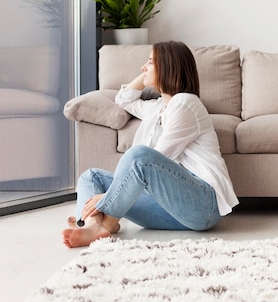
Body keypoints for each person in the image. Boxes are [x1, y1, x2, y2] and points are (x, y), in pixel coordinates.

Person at [62, 41, 239, 248]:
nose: (143, 67)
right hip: (170, 209)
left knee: (139, 155)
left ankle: (106, 220)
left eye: (150, 62)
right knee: (91, 176)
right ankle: (94, 225)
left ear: (167, 67)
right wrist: (147, 76)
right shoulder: (157, 108)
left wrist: (108, 197)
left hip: (202, 206)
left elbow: (157, 158)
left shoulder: (185, 103)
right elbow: (123, 99)